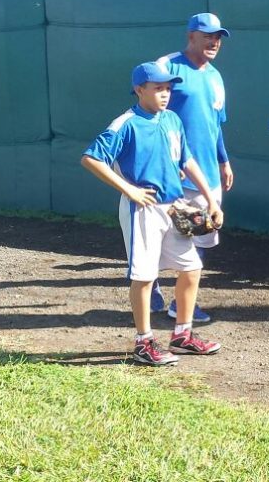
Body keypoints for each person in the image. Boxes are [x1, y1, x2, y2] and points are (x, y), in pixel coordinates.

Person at [81, 62, 223, 366]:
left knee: (192, 268)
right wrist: (128, 189)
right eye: (158, 88)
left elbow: (187, 161)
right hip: (141, 208)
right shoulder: (126, 123)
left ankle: (182, 335)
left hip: (173, 207)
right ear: (139, 89)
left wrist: (211, 199)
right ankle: (144, 342)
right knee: (145, 276)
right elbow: (91, 159)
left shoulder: (172, 119)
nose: (165, 94)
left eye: (168, 88)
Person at [149, 13, 233, 324]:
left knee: (202, 233)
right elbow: (149, 117)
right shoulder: (168, 66)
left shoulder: (215, 77)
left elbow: (215, 126)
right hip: (171, 173)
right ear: (191, 36)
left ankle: (180, 302)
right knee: (160, 233)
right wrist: (168, 162)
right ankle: (152, 283)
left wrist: (224, 160)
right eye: (208, 35)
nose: (215, 41)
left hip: (208, 173)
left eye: (219, 37)